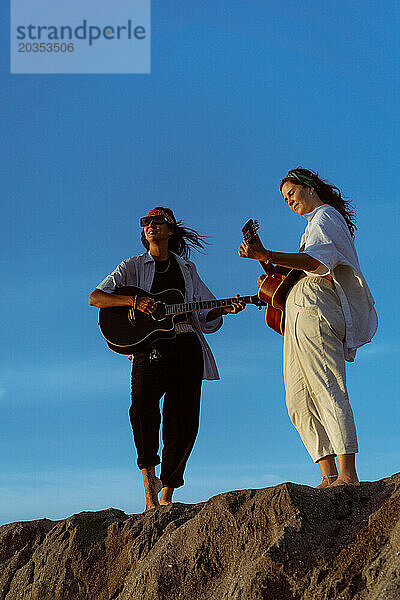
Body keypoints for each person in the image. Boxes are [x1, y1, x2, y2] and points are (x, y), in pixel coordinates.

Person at [89, 207, 245, 511]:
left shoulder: (187, 270)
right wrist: (135, 301)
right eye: (146, 223)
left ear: (171, 229)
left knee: (184, 420)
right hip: (148, 350)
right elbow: (96, 297)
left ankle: (168, 493)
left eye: (157, 222)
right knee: (142, 409)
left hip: (186, 346)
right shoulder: (132, 267)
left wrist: (223, 309)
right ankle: (149, 486)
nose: (150, 226)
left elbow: (205, 316)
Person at [238, 168, 378, 488]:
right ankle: (328, 475)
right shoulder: (312, 227)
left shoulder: (326, 215)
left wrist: (267, 254)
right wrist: (268, 271)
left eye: (292, 193)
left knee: (326, 385)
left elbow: (317, 264)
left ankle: (347, 474)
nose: (289, 201)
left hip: (316, 307)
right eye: (284, 199)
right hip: (296, 312)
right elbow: (298, 271)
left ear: (310, 188)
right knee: (298, 399)